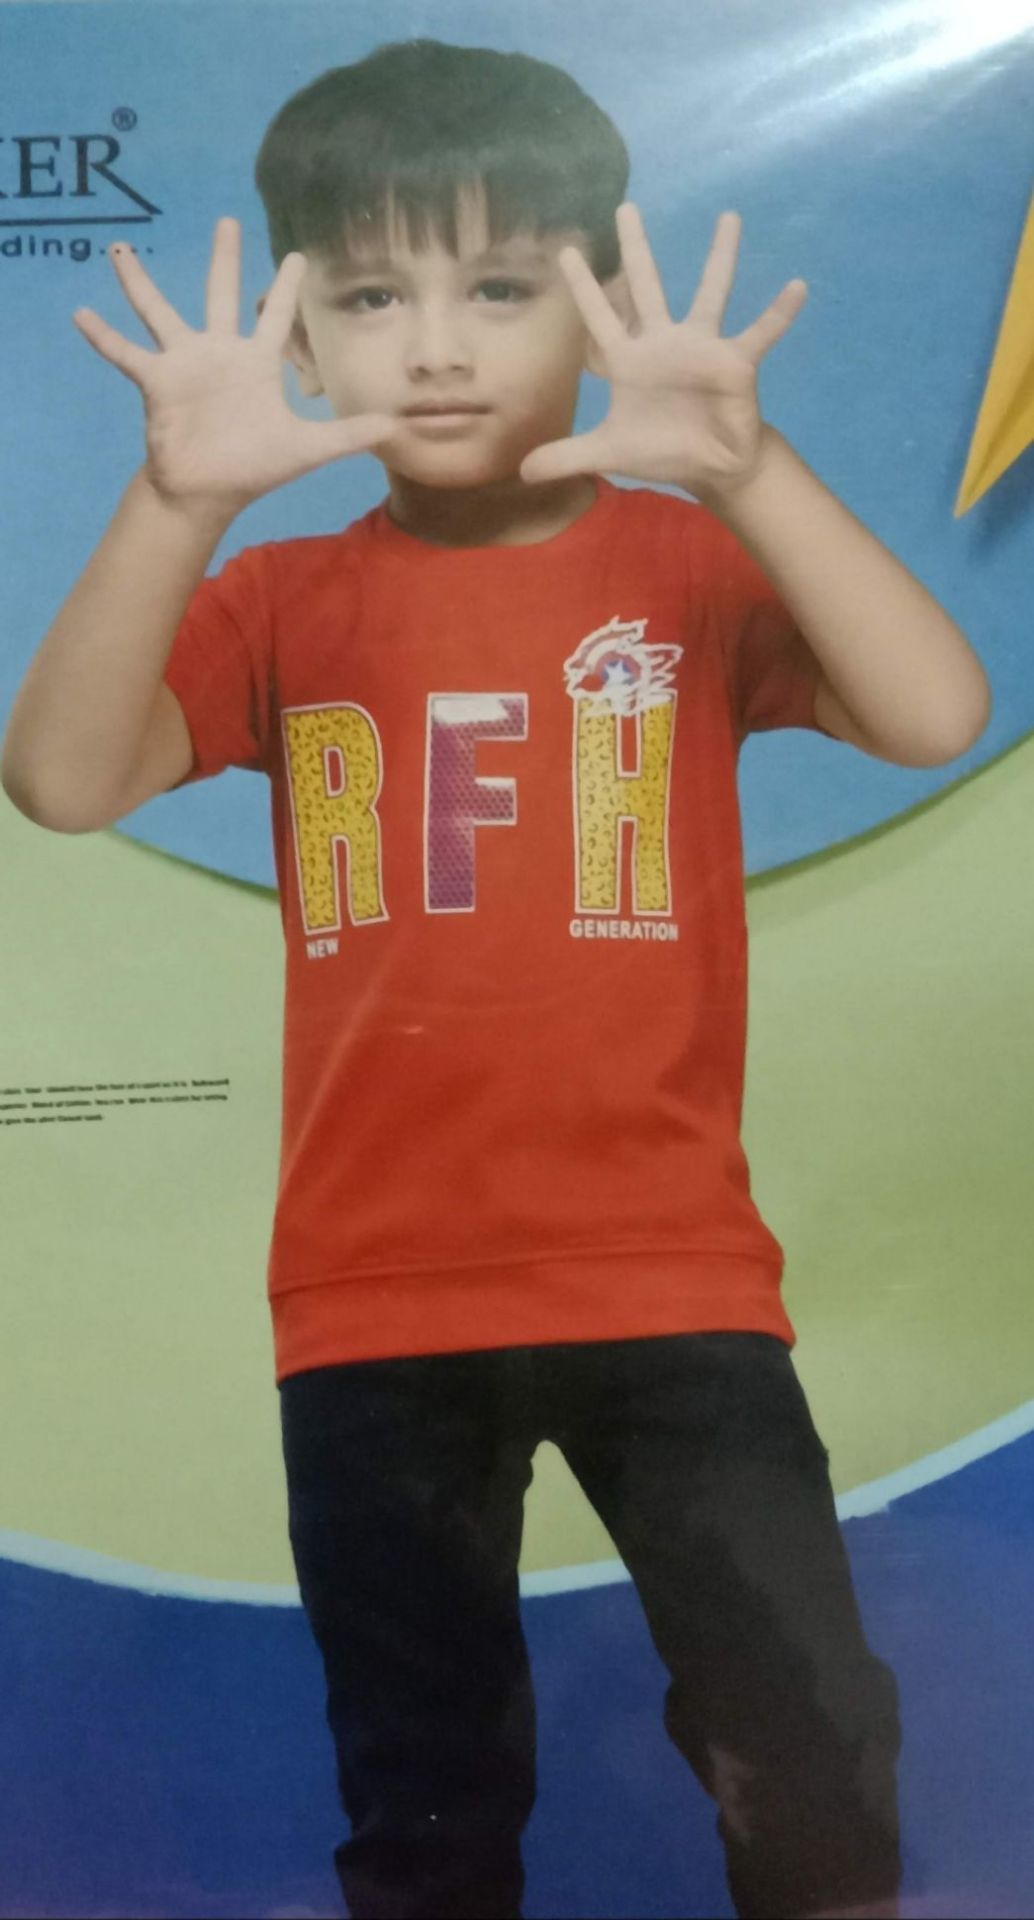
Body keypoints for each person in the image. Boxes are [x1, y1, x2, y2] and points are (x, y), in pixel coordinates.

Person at [1, 37, 990, 1920]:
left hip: (669, 1273)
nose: (437, 347)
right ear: (303, 339)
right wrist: (177, 503)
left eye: (503, 287)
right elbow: (59, 780)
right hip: (371, 1301)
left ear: (597, 305)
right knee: (425, 1783)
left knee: (804, 1736)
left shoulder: (686, 568)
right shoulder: (277, 601)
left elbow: (935, 713)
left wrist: (748, 466)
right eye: (374, 296)